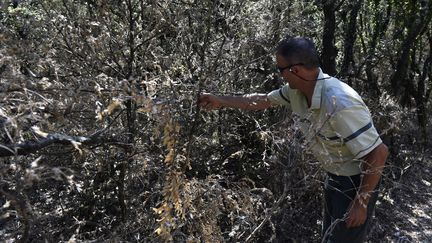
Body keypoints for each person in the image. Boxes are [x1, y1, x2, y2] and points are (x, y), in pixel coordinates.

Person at [198, 37, 389, 242]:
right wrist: (220, 100)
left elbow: (378, 152)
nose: (280, 75)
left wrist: (361, 202)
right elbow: (261, 100)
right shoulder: (296, 92)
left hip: (357, 184)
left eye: (280, 69)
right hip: (334, 177)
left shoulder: (339, 102)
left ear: (295, 70)